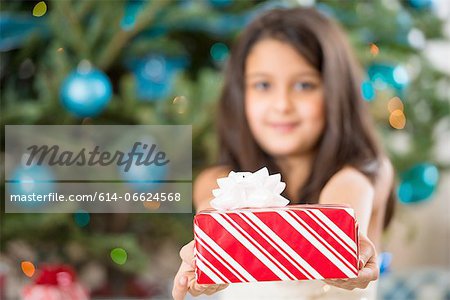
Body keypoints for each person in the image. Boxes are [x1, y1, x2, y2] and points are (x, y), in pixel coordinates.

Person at [172, 6, 395, 300]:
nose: (282, 105)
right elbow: (213, 216)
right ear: (241, 94)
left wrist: (341, 237)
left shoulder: (367, 169)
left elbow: (347, 200)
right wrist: (203, 253)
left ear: (335, 92)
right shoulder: (217, 179)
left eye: (304, 85)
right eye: (263, 85)